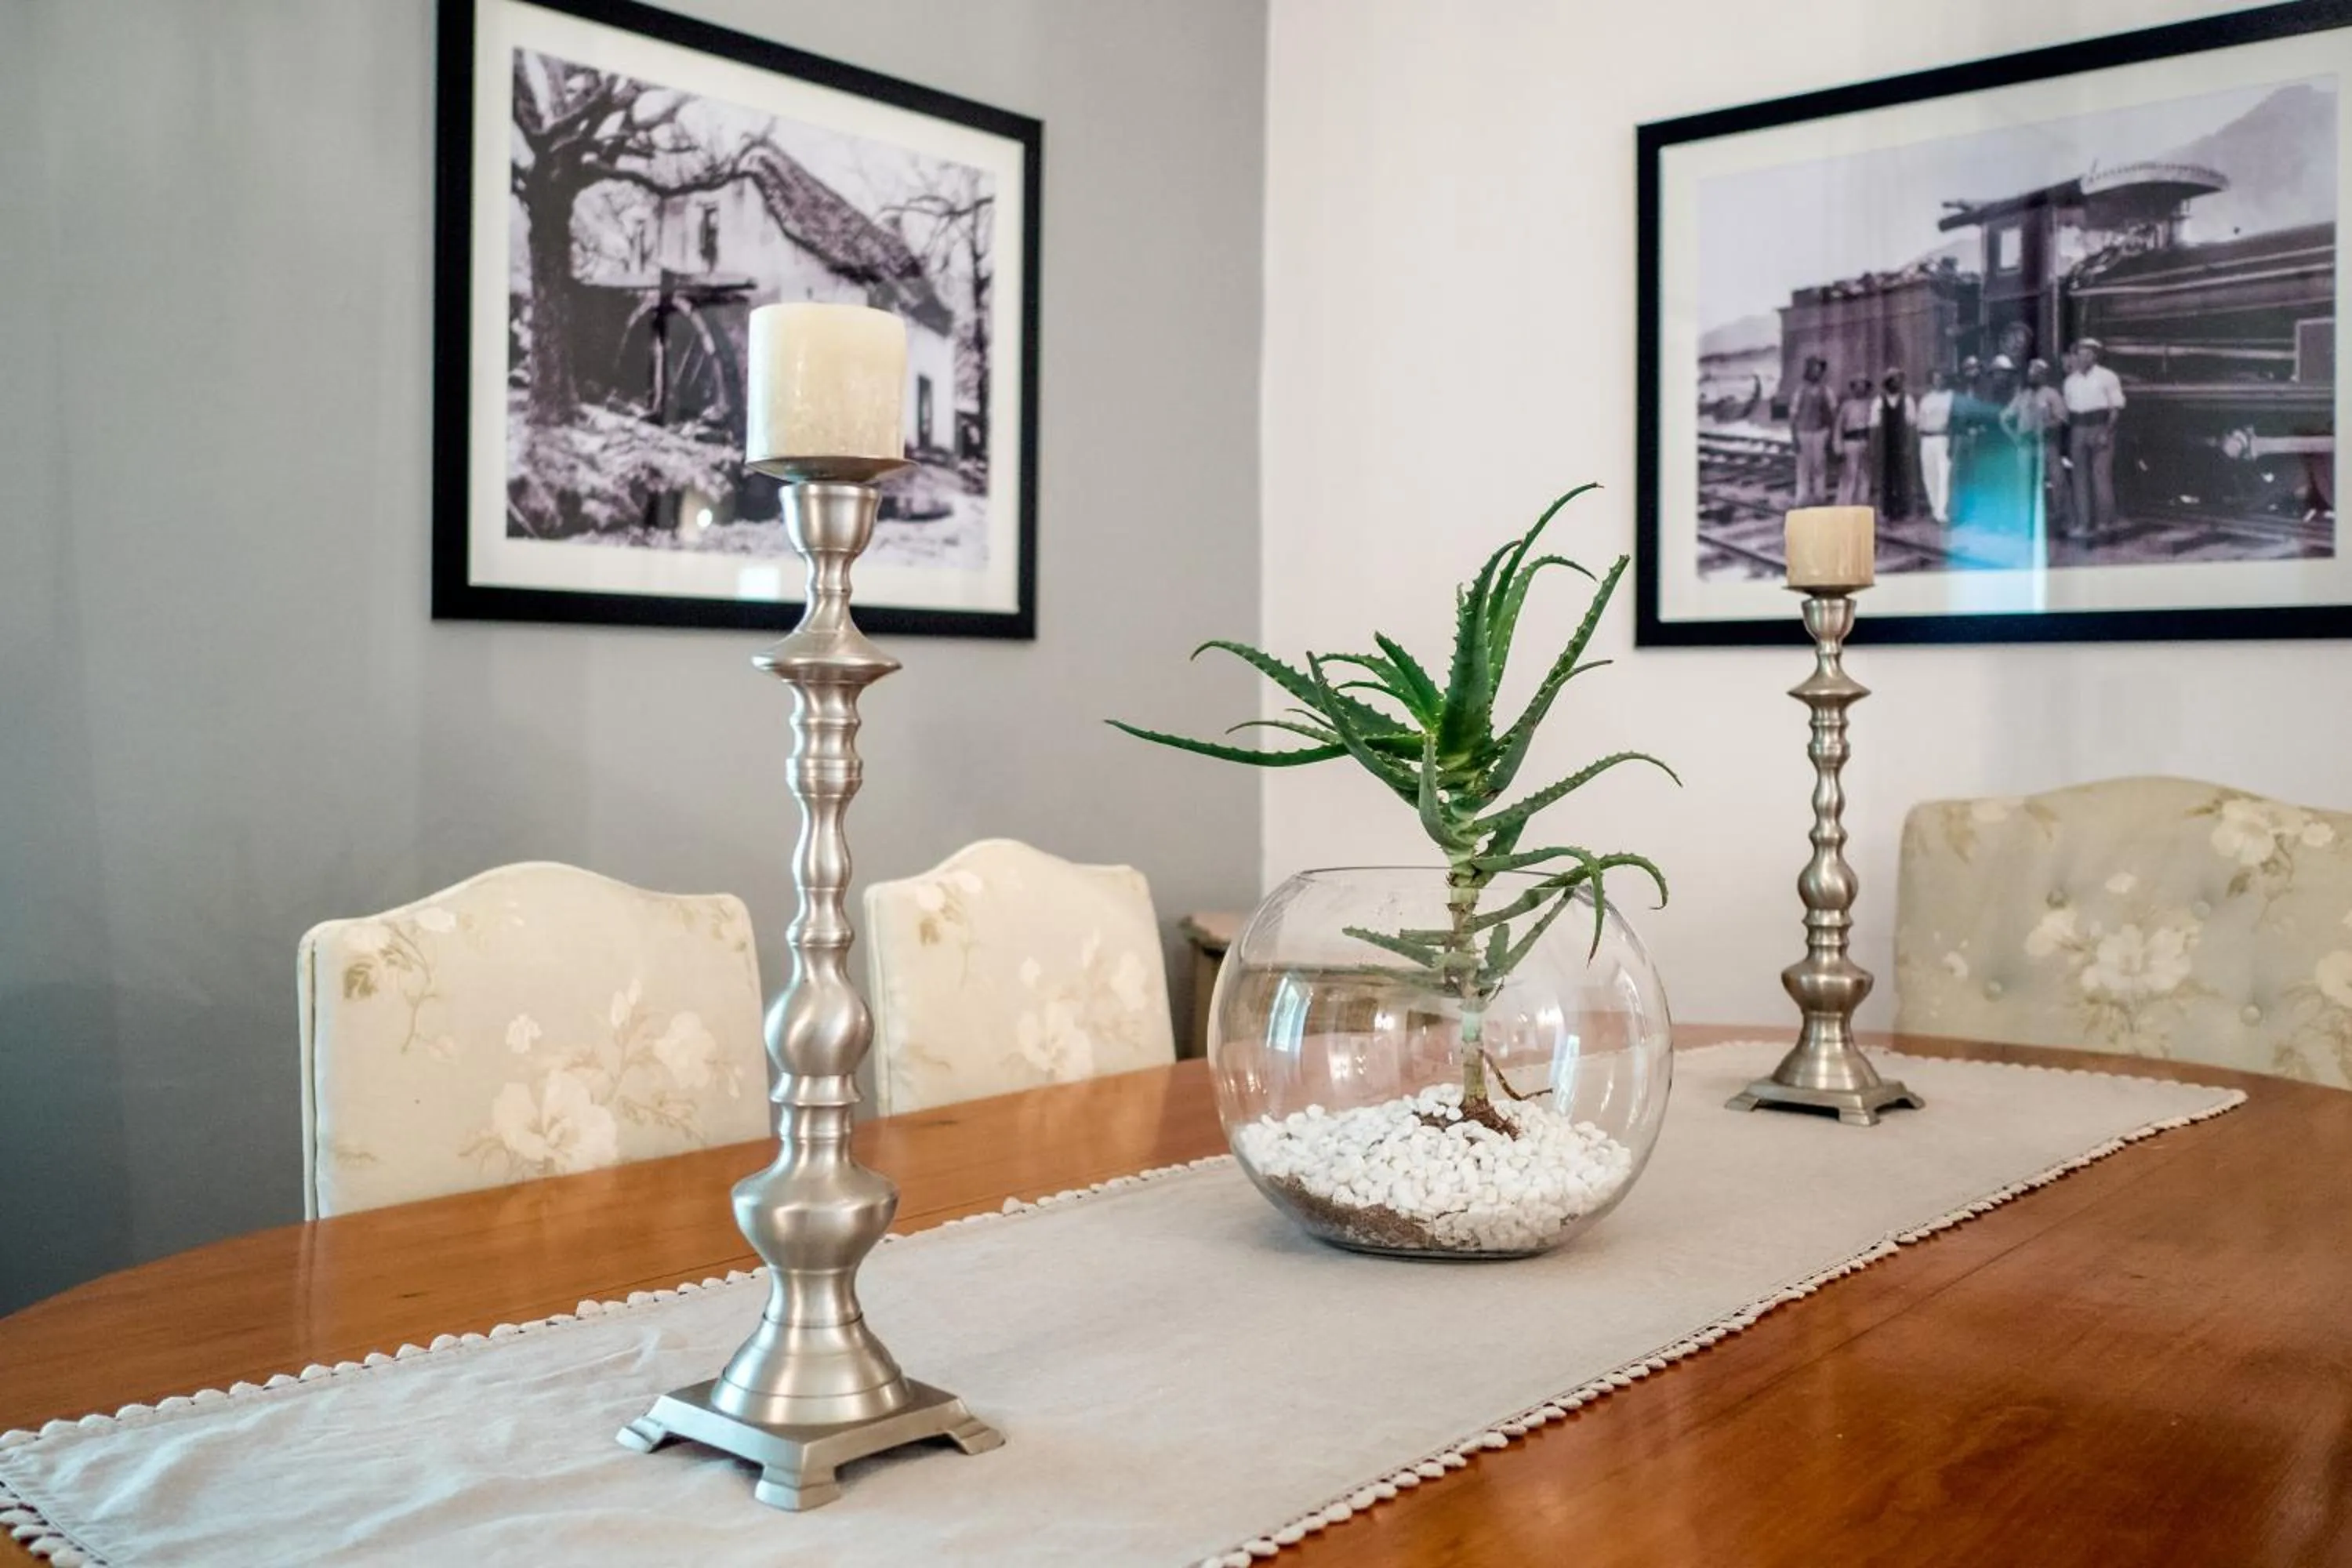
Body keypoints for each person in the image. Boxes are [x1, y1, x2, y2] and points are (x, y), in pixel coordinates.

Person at [2063, 339, 2126, 540]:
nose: (2082, 358)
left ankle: (2105, 523)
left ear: (2095, 356)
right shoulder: (2070, 381)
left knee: (2101, 476)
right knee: (2079, 477)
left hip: (2101, 427)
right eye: (2079, 354)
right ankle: (2083, 524)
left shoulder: (2108, 377)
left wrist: (2106, 432)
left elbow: (2115, 409)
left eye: (2087, 354)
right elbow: (2068, 410)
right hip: (2078, 429)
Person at [2001, 359, 2071, 539]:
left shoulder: (2052, 394)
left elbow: (2063, 419)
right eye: (2031, 373)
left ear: (2044, 375)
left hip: (2047, 444)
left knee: (2058, 481)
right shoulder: (2022, 395)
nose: (2034, 375)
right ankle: (2026, 524)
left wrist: (2048, 426)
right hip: (2025, 445)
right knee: (2024, 484)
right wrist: (2014, 436)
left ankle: (2060, 522)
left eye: (2038, 372)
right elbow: (2004, 417)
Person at [1867, 367, 1920, 522]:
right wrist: (1874, 447)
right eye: (1893, 379)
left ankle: (1906, 511)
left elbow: (1911, 424)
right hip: (1885, 445)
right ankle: (1885, 511)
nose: (1896, 383)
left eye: (1898, 379)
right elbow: (1874, 426)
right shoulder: (1878, 401)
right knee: (1885, 478)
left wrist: (1910, 445)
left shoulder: (1908, 400)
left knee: (1904, 477)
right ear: (1887, 382)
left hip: (1901, 443)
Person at [1788, 357, 1835, 506]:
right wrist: (1794, 437)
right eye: (1814, 368)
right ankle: (1802, 498)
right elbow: (1793, 416)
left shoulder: (1826, 390)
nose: (1817, 372)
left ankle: (1820, 497)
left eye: (1819, 369)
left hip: (1821, 432)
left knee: (1819, 465)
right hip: (1803, 432)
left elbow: (1832, 411)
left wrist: (1831, 432)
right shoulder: (1800, 390)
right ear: (1808, 370)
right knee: (1803, 466)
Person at [1916, 368, 1955, 524]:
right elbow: (1920, 421)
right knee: (1929, 474)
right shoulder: (1927, 399)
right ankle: (1934, 509)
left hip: (1943, 437)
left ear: (1946, 380)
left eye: (1942, 378)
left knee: (1943, 474)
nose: (1938, 381)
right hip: (1927, 438)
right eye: (1936, 378)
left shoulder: (1951, 397)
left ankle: (1942, 511)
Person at [1833, 375, 1875, 505]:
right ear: (1853, 388)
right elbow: (1838, 427)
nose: (1860, 388)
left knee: (1865, 475)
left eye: (1863, 385)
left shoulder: (1871, 405)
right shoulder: (1847, 406)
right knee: (1849, 474)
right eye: (1857, 385)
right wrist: (1838, 447)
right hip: (1850, 443)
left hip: (1866, 442)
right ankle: (1845, 503)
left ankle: (1862, 503)